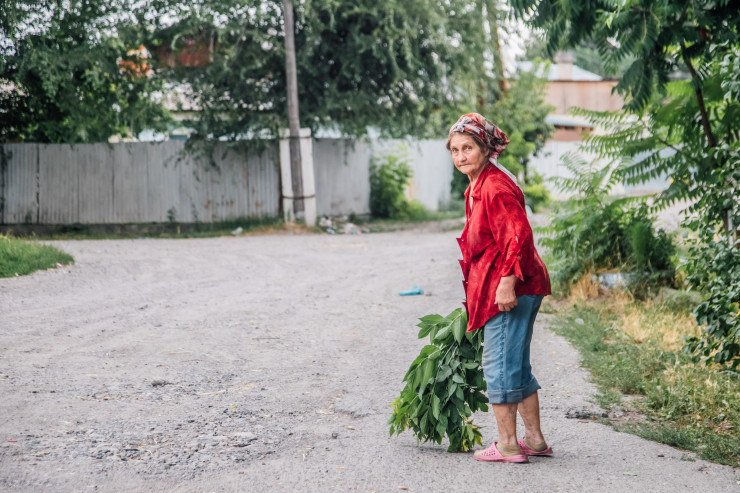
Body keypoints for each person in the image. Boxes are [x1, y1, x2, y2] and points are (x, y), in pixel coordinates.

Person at [447, 113, 552, 464]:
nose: (461, 156)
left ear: (484, 148)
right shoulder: (477, 185)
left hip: (511, 289)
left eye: (468, 148)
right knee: (515, 365)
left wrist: (507, 284)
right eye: (455, 150)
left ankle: (508, 445)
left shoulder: (494, 186)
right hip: (511, 286)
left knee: (499, 366)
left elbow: (517, 236)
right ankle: (534, 440)